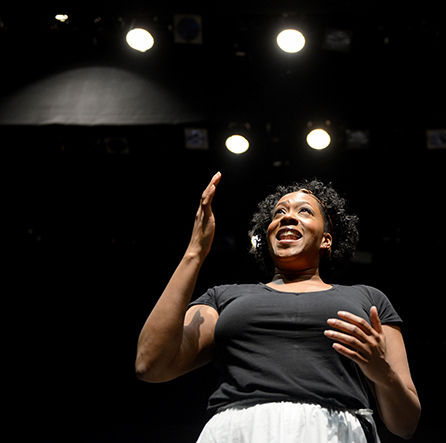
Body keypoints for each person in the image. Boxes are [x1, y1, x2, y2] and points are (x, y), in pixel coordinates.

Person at [135, 172, 420, 442]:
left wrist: (384, 374)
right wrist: (195, 251)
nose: (288, 218)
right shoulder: (223, 297)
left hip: (334, 432)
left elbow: (405, 424)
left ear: (326, 240)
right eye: (279, 213)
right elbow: (151, 364)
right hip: (239, 431)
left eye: (304, 211)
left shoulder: (369, 299)